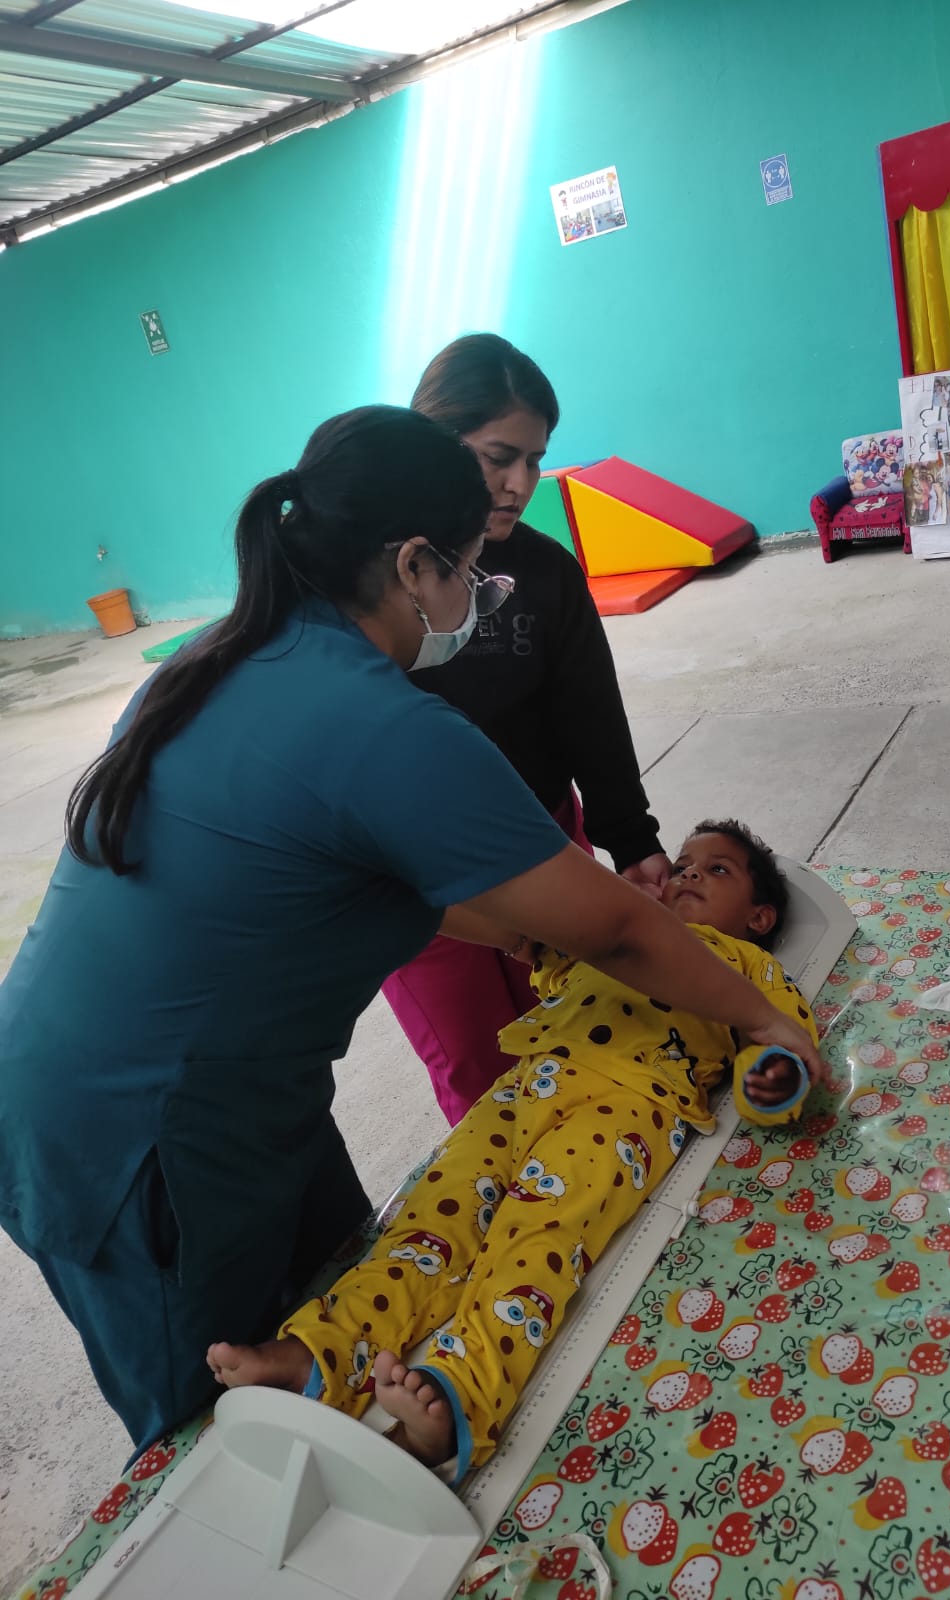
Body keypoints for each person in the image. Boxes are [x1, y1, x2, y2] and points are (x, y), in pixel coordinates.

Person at [0, 409, 823, 1460]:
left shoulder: (213, 660)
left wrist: (522, 937)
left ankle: (344, 1376)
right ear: (413, 565)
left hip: (187, 1084)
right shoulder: (385, 726)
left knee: (353, 1273)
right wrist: (767, 1017)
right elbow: (619, 931)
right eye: (473, 574)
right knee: (231, 1441)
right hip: (137, 1143)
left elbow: (356, 880)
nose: (475, 600)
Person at [207, 822, 823, 1479]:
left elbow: (780, 1042)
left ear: (759, 918)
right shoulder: (625, 935)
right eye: (683, 863)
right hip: (521, 1089)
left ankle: (457, 1393)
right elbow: (527, 932)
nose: (689, 873)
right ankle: (322, 1351)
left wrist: (773, 1081)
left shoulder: (747, 966)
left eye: (717, 869)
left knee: (536, 1239)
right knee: (429, 1218)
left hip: (625, 1105)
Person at [382, 336, 673, 1127]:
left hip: (540, 838)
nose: (519, 483)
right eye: (496, 457)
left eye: (535, 460)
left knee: (585, 1024)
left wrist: (631, 839)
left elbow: (590, 713)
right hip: (424, 878)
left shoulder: (545, 572)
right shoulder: (369, 590)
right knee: (482, 1073)